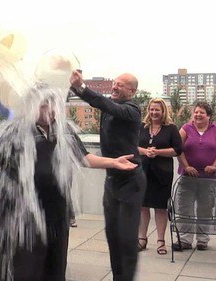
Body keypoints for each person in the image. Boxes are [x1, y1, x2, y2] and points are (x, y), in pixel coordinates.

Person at [0, 83, 138, 281]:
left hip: (55, 210)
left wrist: (113, 162)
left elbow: (82, 157)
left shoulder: (63, 131)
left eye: (54, 105)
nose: (51, 110)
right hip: (22, 213)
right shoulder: (16, 130)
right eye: (44, 105)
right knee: (23, 268)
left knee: (55, 267)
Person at [70, 71, 146, 281]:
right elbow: (104, 104)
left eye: (120, 85)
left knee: (127, 238)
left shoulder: (132, 110)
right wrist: (68, 83)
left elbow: (106, 105)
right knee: (113, 236)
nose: (114, 87)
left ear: (132, 91)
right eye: (114, 83)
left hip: (131, 181)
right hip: (112, 179)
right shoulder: (112, 105)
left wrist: (82, 87)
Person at [174, 101, 216, 251]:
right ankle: (184, 239)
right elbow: (178, 148)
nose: (198, 115)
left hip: (209, 178)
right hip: (187, 176)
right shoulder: (186, 128)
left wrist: (215, 166)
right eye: (196, 112)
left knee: (205, 208)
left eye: (202, 112)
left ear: (209, 116)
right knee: (185, 208)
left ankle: (203, 240)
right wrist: (186, 166)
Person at [137, 98, 182, 255]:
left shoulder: (171, 128)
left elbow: (177, 149)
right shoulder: (142, 127)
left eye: (157, 109)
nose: (154, 112)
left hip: (162, 174)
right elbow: (132, 145)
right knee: (143, 206)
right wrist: (145, 151)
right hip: (143, 172)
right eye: (151, 109)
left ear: (163, 111)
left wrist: (158, 152)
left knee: (160, 208)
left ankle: (161, 241)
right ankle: (142, 239)